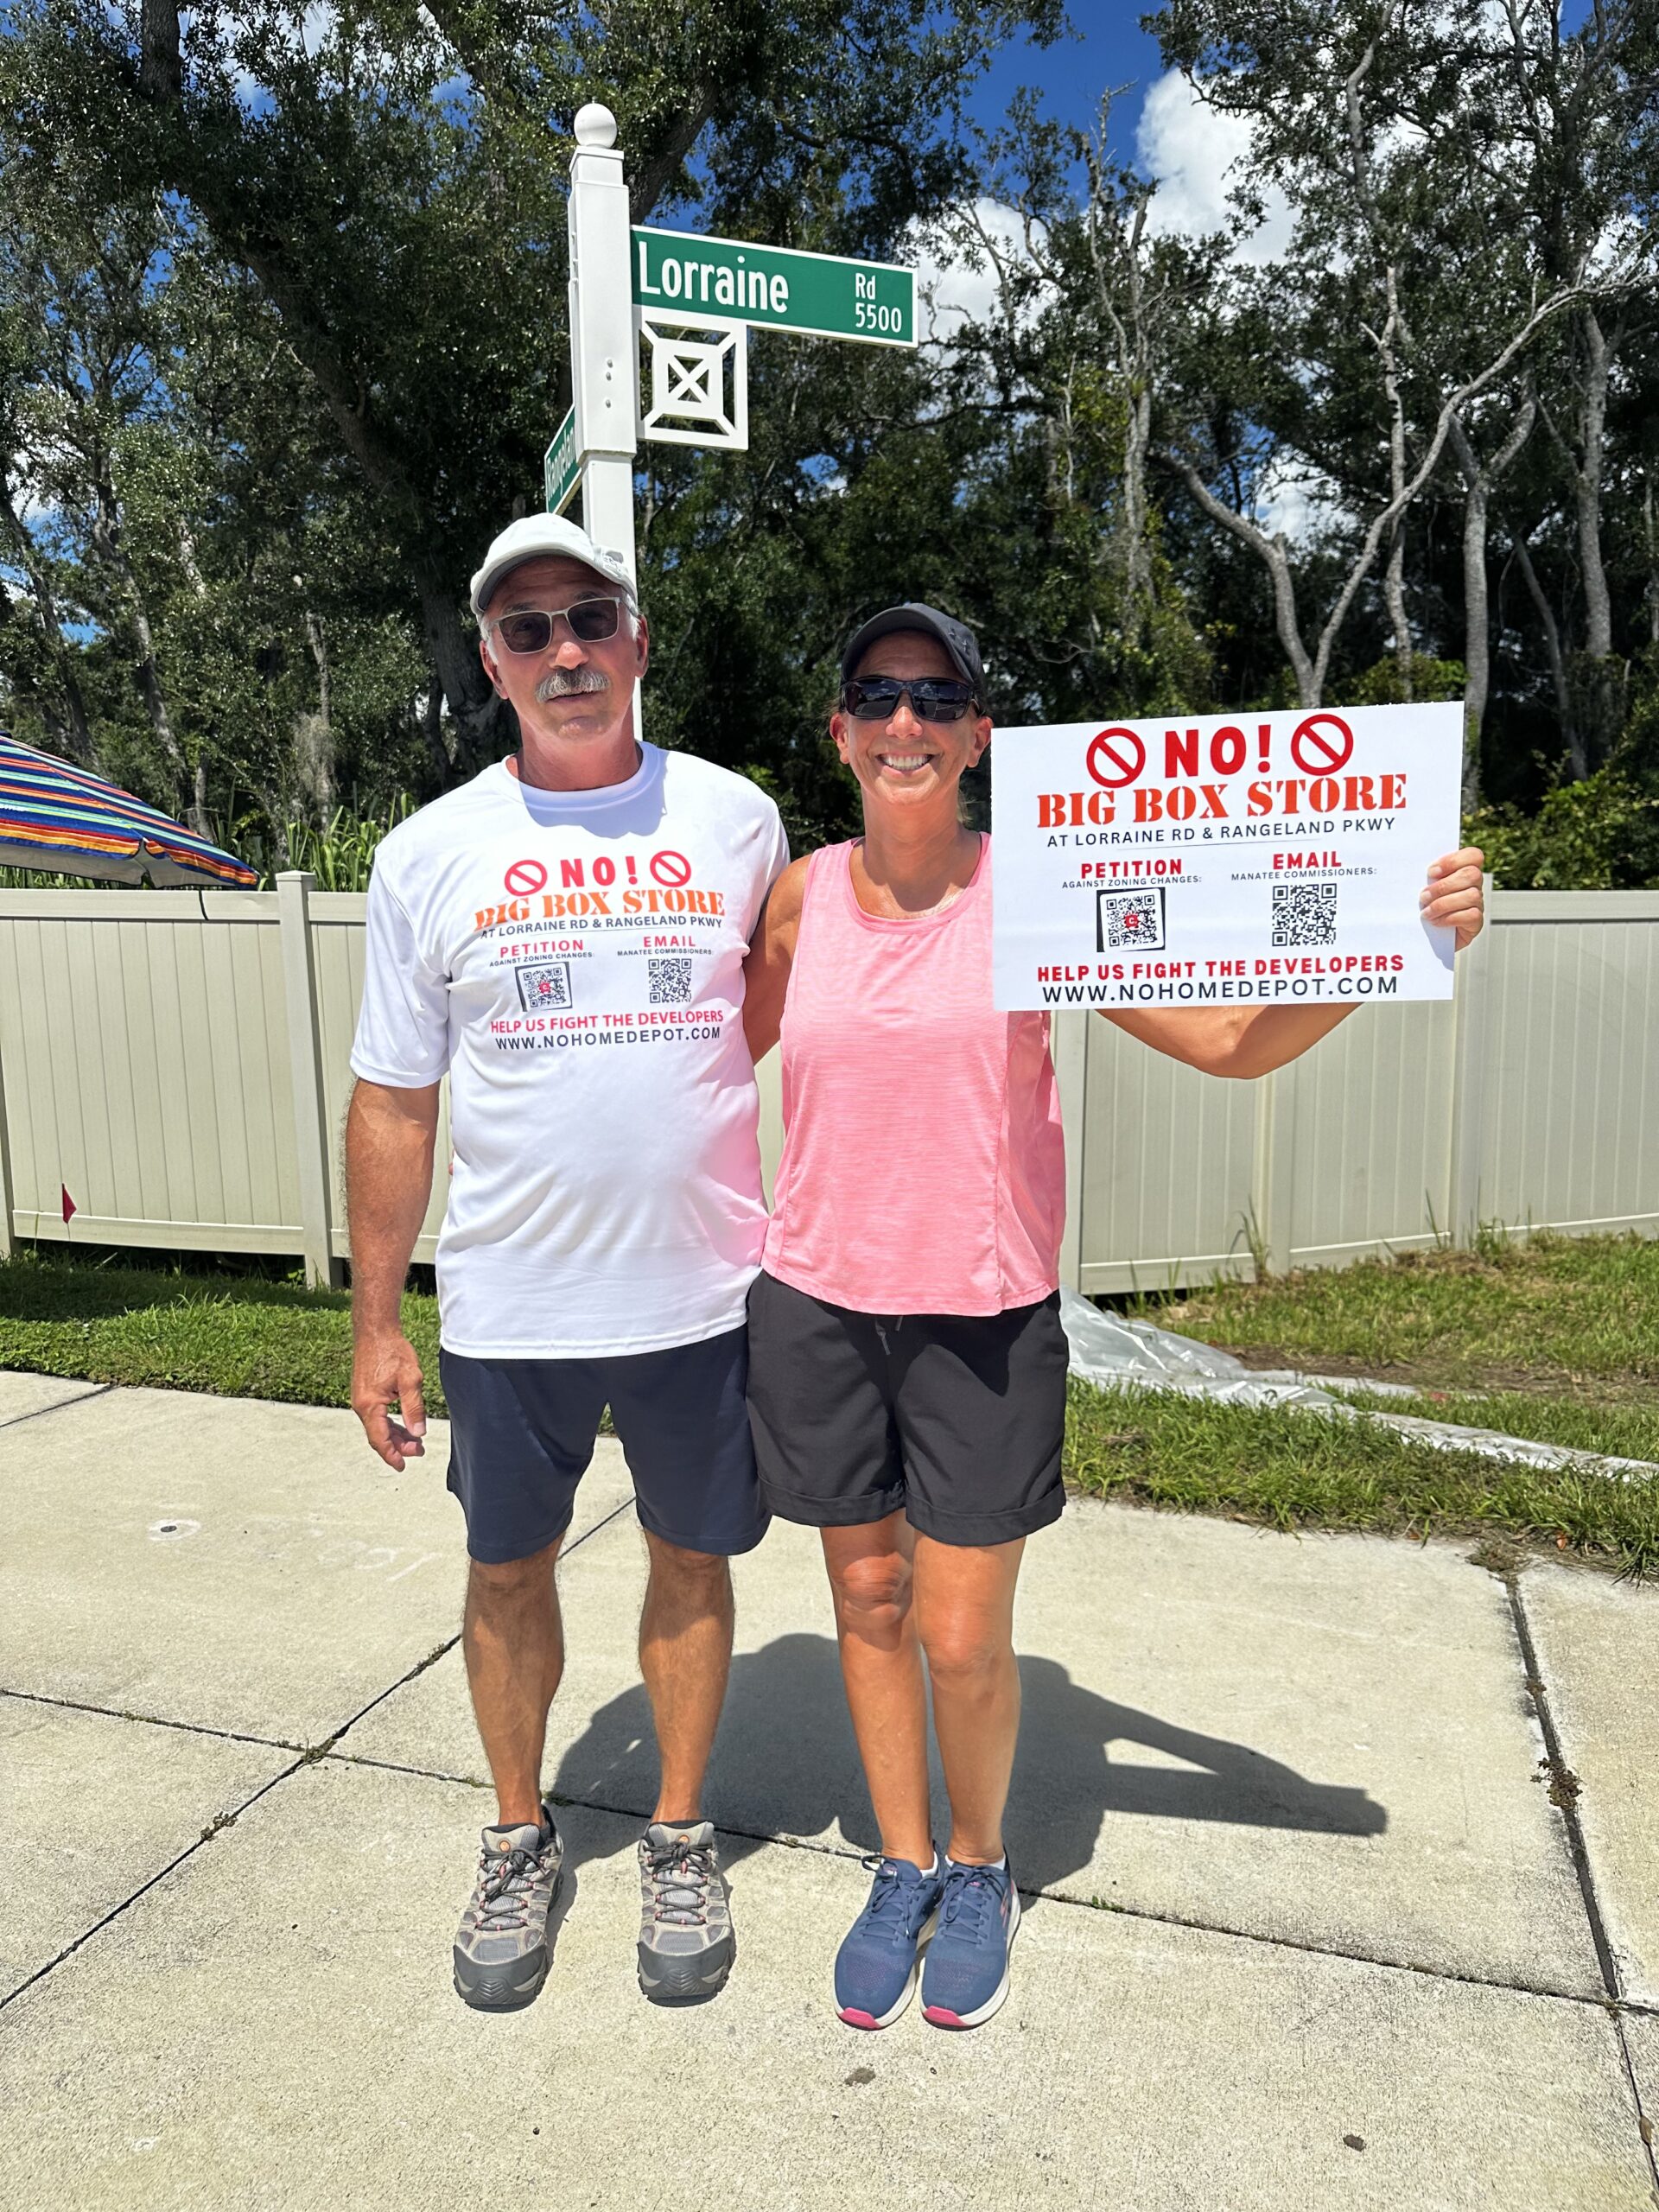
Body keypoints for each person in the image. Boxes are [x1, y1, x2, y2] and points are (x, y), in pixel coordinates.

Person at [741, 602, 1485, 2032]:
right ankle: (898, 1865)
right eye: (876, 696)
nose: (905, 722)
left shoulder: (1041, 890)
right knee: (868, 1599)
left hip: (982, 1317)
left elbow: (1224, 1042)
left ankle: (978, 1865)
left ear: (979, 736)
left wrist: (1399, 934)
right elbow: (709, 1066)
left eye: (935, 697)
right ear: (838, 731)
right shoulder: (797, 899)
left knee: (960, 1633)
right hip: (822, 1303)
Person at [346, 515, 787, 2012]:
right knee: (503, 1567)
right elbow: (396, 1101)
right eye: (526, 631)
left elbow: (766, 1018)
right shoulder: (427, 855)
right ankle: (519, 1836)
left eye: (589, 618)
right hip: (511, 1302)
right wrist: (376, 1323)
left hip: (701, 1295)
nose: (565, 652)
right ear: (491, 662)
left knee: (691, 1556)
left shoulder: (737, 820)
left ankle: (676, 1833)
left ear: (639, 638)